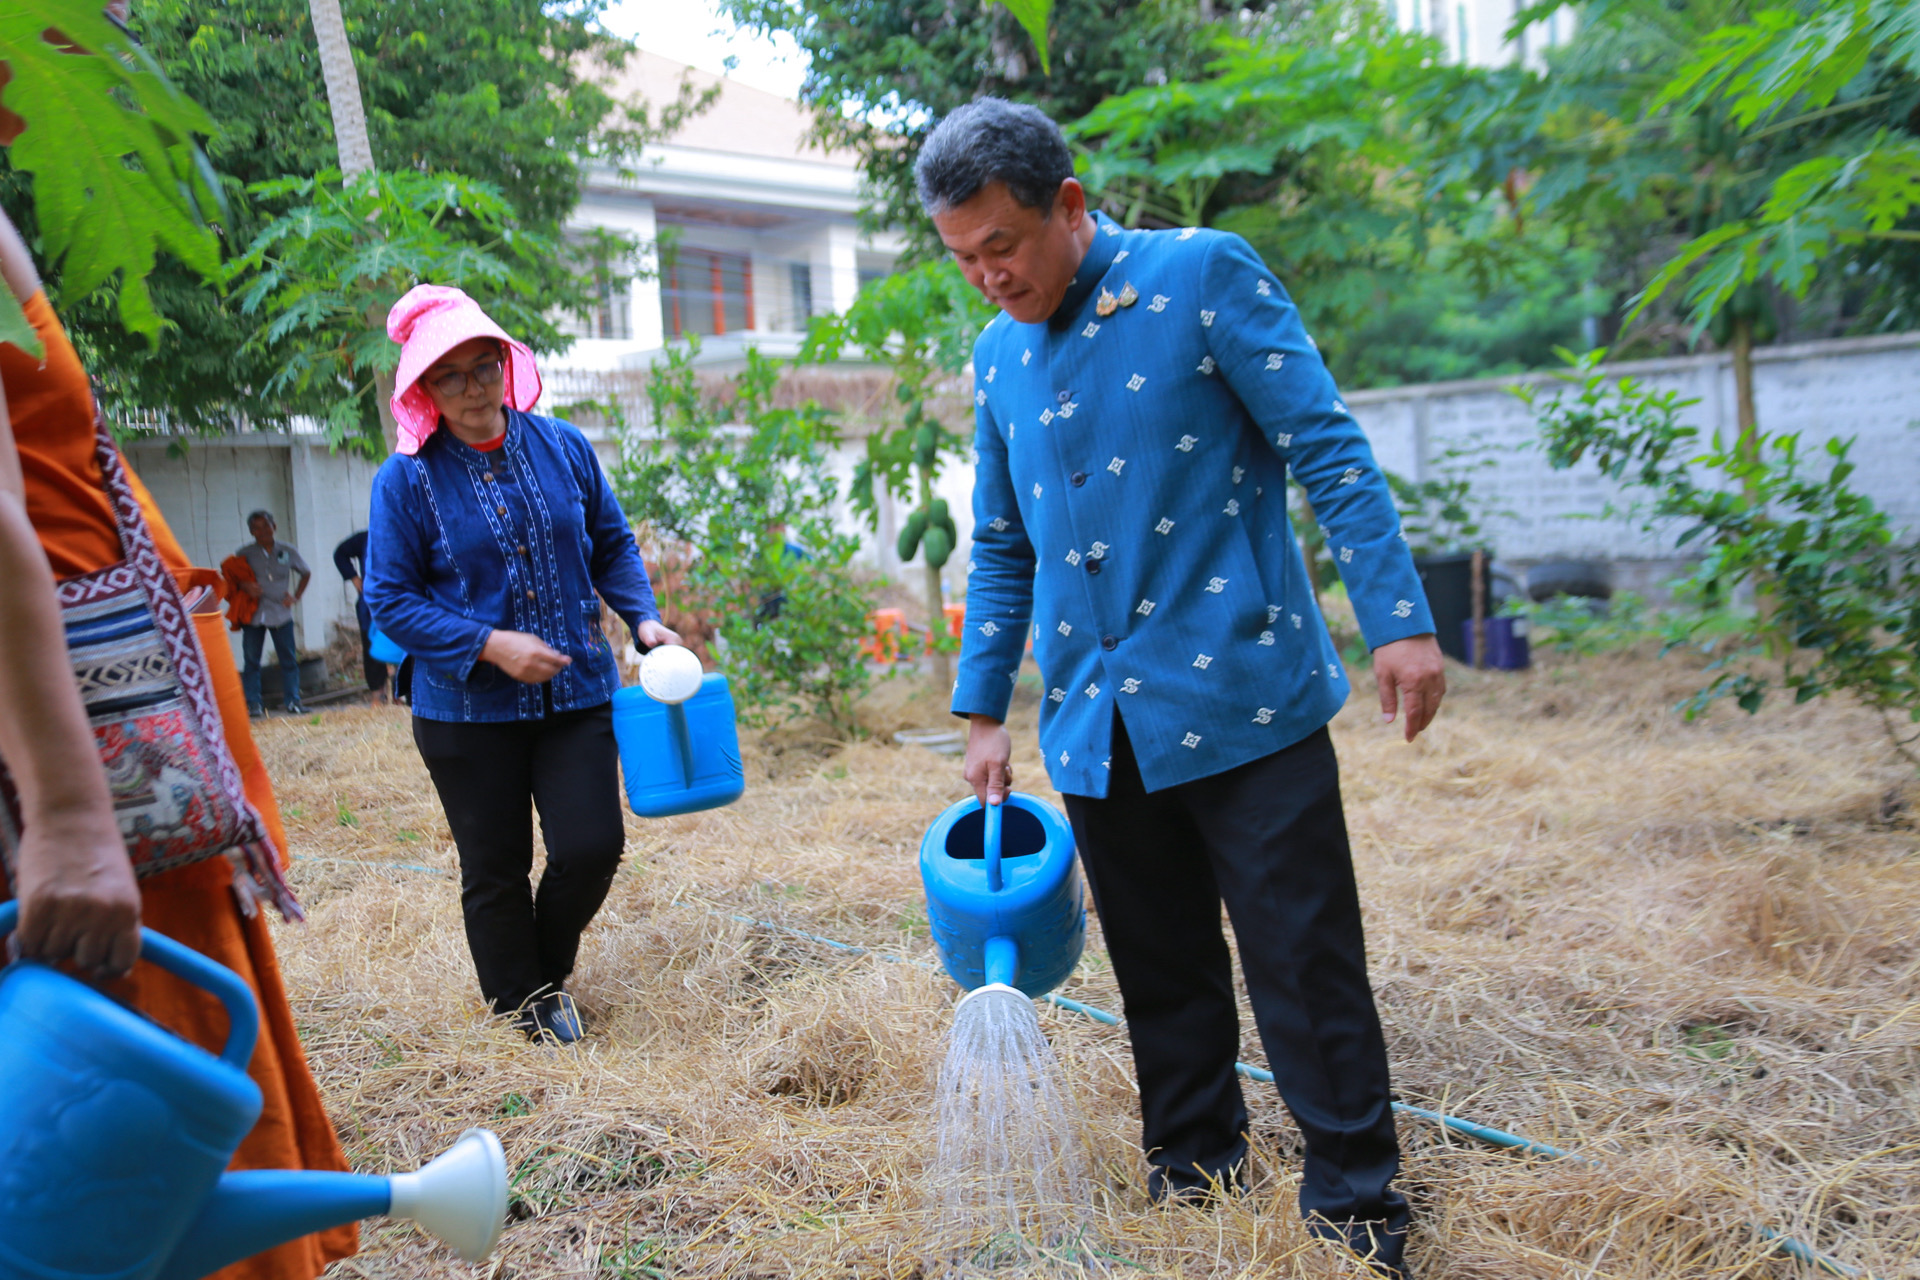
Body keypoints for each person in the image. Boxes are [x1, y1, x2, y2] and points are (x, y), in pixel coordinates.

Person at [924, 100, 1448, 1280]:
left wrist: (1401, 619)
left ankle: (1358, 1207)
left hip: (1245, 699)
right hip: (1097, 722)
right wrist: (980, 710)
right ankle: (1195, 1170)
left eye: (1002, 245)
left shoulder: (1201, 275)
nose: (988, 276)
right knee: (1159, 968)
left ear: (1068, 204)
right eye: (963, 258)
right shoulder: (998, 354)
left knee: (1303, 961)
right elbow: (1003, 544)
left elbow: (1326, 445)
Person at [0, 200, 356, 1275]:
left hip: (118, 777)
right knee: (105, 1175)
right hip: (65, 782)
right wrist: (67, 815)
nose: (115, 26)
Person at [363, 284, 678, 1044]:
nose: (474, 389)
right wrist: (488, 643)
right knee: (495, 868)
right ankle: (526, 1004)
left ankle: (545, 967)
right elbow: (389, 600)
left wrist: (644, 620)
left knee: (591, 847)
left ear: (508, 364)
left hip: (576, 693)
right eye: (451, 376)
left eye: (485, 366)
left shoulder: (562, 445)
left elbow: (611, 542)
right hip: (466, 714)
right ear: (424, 390)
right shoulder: (406, 480)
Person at [236, 509, 310, 716]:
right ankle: (253, 704)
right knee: (251, 661)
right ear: (251, 532)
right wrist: (245, 585)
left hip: (280, 613)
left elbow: (306, 572)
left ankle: (293, 702)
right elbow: (232, 580)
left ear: (274, 526)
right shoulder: (244, 553)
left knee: (288, 660)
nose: (262, 531)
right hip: (254, 614)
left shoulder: (287, 550)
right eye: (257, 528)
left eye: (266, 526)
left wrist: (295, 597)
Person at [332, 529, 388, 701]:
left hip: (400, 600)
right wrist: (354, 578)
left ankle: (402, 694)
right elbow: (340, 553)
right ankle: (377, 694)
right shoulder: (366, 538)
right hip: (370, 604)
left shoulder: (406, 533)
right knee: (372, 647)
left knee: (402, 649)